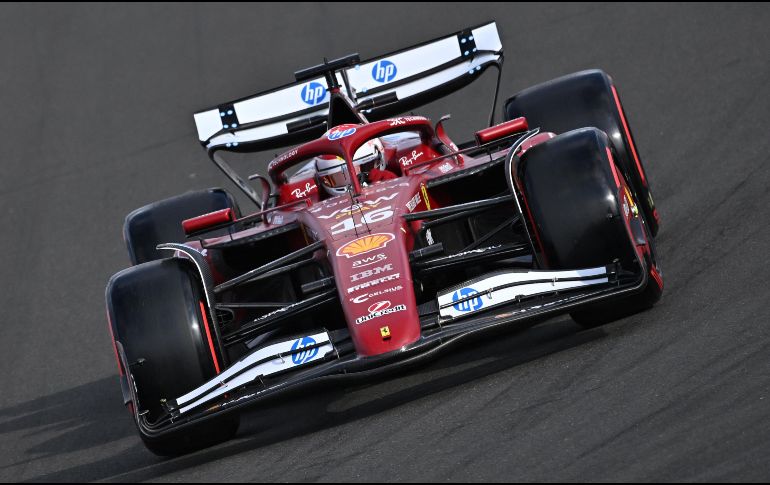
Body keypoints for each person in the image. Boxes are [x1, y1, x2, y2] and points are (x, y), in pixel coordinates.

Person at [315, 139, 396, 197]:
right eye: (343, 175)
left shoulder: (387, 177)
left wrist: (394, 184)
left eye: (364, 168)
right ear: (325, 180)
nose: (355, 178)